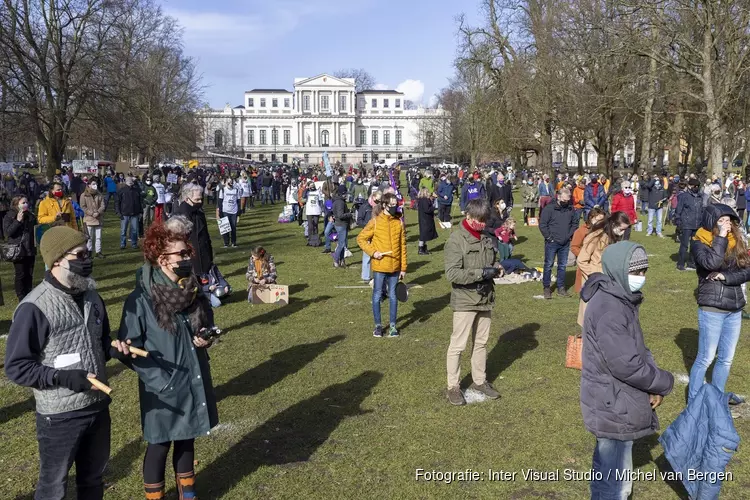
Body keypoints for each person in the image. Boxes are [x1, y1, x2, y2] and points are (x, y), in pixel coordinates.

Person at [4, 226, 133, 500]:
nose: (88, 259)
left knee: (92, 480)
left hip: (97, 408)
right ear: (58, 259)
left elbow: (99, 341)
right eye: (81, 254)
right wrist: (62, 377)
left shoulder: (92, 296)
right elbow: (17, 366)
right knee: (53, 488)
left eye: (88, 253)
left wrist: (115, 349)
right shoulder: (34, 307)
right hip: (60, 417)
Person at [117, 222, 217, 500]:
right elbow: (126, 349)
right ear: (163, 260)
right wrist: (161, 381)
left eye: (188, 253)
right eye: (182, 254)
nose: (188, 258)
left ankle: (188, 493)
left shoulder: (192, 291)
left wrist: (205, 338)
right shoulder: (140, 300)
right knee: (159, 443)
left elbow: (204, 324)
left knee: (187, 437)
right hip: (161, 385)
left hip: (191, 375)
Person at [580, 242, 674, 499]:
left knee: (606, 472)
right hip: (614, 403)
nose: (641, 277)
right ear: (618, 270)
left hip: (614, 399)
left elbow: (635, 348)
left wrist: (651, 383)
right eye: (636, 271)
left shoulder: (619, 298)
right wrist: (663, 381)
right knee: (616, 485)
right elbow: (626, 364)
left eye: (644, 271)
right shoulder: (610, 308)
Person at [688, 204, 750, 404]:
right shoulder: (700, 242)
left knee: (726, 358)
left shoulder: (738, 241)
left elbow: (746, 271)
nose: (726, 225)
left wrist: (725, 276)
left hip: (734, 308)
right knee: (705, 358)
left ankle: (716, 399)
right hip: (712, 307)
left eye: (728, 221)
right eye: (721, 221)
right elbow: (711, 263)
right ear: (711, 223)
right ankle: (694, 402)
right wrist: (721, 238)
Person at [444, 199, 502, 406]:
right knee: (457, 345)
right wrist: (480, 273)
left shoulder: (486, 238)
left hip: (485, 298)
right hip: (465, 300)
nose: (482, 224)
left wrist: (496, 267)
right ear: (468, 217)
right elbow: (452, 273)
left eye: (484, 221)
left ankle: (479, 381)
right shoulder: (455, 240)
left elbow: (491, 260)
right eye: (479, 220)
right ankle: (453, 387)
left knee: (481, 343)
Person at [357, 193, 407, 338]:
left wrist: (403, 267)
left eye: (396, 204)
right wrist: (373, 252)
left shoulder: (399, 223)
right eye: (392, 205)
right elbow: (361, 239)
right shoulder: (375, 222)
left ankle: (392, 326)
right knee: (377, 295)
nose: (395, 207)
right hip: (380, 266)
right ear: (384, 205)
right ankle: (378, 326)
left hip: (395, 267)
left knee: (393, 296)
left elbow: (403, 246)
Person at [576, 212, 630, 326]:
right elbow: (581, 260)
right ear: (613, 224)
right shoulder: (596, 237)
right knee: (591, 316)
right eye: (621, 229)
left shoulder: (615, 238)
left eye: (625, 229)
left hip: (608, 281)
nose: (623, 232)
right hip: (594, 281)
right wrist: (594, 276)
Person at [539, 187, 578, 299]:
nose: (568, 200)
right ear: (559, 197)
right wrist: (549, 238)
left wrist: (569, 235)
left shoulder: (571, 209)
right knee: (548, 265)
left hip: (565, 243)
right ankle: (547, 287)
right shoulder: (549, 209)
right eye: (566, 198)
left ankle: (561, 287)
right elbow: (542, 225)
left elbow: (575, 224)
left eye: (569, 198)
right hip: (552, 242)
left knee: (562, 266)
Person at [175, 183, 214, 277]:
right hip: (191, 256)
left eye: (201, 199)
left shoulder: (199, 211)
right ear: (187, 199)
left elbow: (205, 233)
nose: (200, 201)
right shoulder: (181, 215)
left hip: (204, 253)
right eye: (197, 199)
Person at [3, 196, 37, 300]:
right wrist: (17, 221)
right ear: (16, 204)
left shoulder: (30, 215)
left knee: (29, 273)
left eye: (26, 202)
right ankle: (21, 296)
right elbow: (8, 232)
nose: (25, 204)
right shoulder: (9, 216)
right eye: (23, 203)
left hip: (30, 248)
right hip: (18, 249)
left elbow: (35, 229)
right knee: (21, 274)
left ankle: (29, 293)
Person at [571, 208, 606, 294]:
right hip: (586, 264)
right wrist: (585, 256)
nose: (601, 222)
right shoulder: (581, 231)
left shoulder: (604, 231)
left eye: (603, 220)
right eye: (599, 220)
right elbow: (574, 247)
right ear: (591, 218)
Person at [674, 178, 704, 271]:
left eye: (697, 186)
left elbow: (701, 210)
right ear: (690, 186)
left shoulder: (700, 197)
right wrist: (678, 221)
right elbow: (678, 209)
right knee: (684, 245)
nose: (696, 188)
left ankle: (692, 263)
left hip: (697, 225)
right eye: (694, 186)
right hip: (686, 224)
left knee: (694, 245)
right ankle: (680, 263)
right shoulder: (684, 196)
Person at [357, 191, 381, 282]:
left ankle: (378, 275)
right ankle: (366, 277)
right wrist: (368, 225)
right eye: (378, 200)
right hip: (367, 234)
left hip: (377, 234)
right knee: (367, 257)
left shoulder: (380, 207)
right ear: (373, 197)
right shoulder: (364, 206)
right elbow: (359, 220)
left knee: (378, 255)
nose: (379, 202)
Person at [79, 178, 106, 258]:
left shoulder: (99, 194)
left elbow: (103, 205)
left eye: (96, 184)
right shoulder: (84, 195)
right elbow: (83, 207)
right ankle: (89, 252)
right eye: (93, 184)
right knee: (89, 237)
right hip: (89, 219)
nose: (95, 185)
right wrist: (91, 213)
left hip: (98, 218)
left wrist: (98, 212)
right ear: (89, 185)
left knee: (98, 237)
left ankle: (98, 251)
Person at [116, 176, 142, 250]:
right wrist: (118, 212)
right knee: (123, 230)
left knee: (134, 230)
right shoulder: (122, 190)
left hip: (135, 213)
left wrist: (140, 212)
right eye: (129, 181)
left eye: (131, 181)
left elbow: (139, 202)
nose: (130, 182)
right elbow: (117, 202)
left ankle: (134, 244)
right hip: (124, 213)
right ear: (126, 182)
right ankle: (122, 244)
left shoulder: (136, 190)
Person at [332, 184, 353, 267]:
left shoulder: (337, 201)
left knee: (342, 243)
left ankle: (342, 261)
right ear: (342, 193)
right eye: (345, 194)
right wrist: (349, 214)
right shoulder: (340, 202)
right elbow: (340, 215)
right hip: (341, 225)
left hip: (339, 224)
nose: (346, 195)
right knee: (341, 244)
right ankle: (336, 260)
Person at [216, 176, 239, 248]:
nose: (230, 183)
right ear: (225, 182)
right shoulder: (222, 190)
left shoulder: (236, 190)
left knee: (233, 227)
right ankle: (226, 243)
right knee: (225, 228)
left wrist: (239, 211)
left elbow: (238, 201)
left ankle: (233, 242)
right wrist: (220, 211)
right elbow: (220, 201)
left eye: (231, 182)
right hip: (225, 210)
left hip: (234, 211)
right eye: (228, 182)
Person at [417, 188, 438, 255]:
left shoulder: (423, 200)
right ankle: (421, 249)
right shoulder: (424, 200)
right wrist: (433, 207)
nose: (429, 193)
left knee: (425, 235)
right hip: (425, 220)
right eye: (427, 192)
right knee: (423, 235)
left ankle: (424, 248)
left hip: (425, 219)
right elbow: (427, 209)